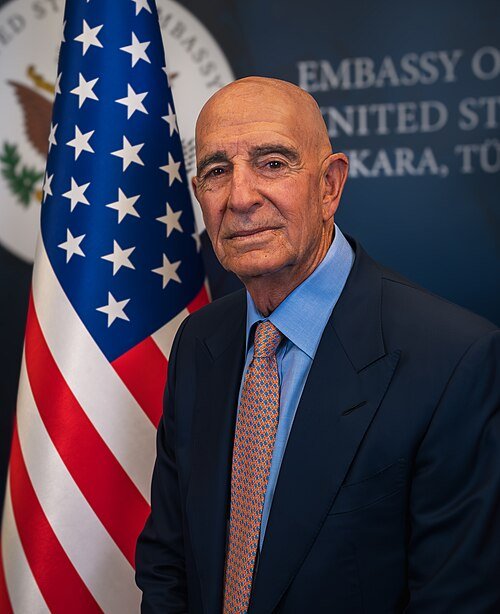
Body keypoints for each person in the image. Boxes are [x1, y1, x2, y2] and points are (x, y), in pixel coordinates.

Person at [135, 77, 500, 613]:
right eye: (217, 171)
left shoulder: (454, 360)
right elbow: (169, 562)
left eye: (272, 163)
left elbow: (454, 599)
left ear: (330, 185)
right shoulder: (198, 341)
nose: (240, 197)